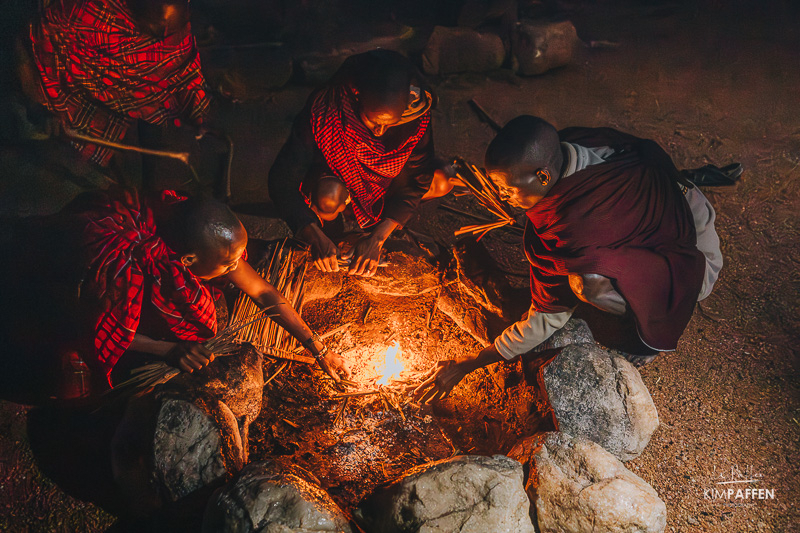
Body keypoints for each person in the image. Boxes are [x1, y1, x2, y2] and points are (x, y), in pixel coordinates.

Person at [416, 115, 724, 403]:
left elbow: (547, 317)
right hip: (682, 209)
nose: (501, 196)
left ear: (542, 175)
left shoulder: (578, 226)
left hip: (694, 265)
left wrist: (472, 361)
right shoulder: (572, 144)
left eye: (506, 188)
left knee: (585, 283)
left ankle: (645, 337)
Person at [0, 188, 349, 399]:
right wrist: (166, 349)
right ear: (187, 260)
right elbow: (96, 321)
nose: (237, 268)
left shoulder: (181, 223)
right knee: (71, 378)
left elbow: (264, 292)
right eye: (228, 264)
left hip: (88, 279)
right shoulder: (116, 265)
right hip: (50, 284)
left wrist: (317, 348)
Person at [268, 49, 454, 277]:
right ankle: (333, 236)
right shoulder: (328, 108)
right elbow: (282, 180)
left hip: (387, 181)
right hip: (340, 178)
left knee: (442, 180)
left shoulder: (414, 116)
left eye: (389, 124)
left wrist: (377, 239)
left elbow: (417, 179)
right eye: (373, 121)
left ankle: (376, 231)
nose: (379, 132)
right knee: (329, 196)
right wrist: (314, 235)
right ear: (357, 95)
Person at [28, 0, 210, 167]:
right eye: (156, 27)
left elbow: (186, 72)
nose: (160, 37)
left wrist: (198, 116)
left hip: (108, 113)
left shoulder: (171, 34)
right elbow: (35, 39)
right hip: (59, 90)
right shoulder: (93, 12)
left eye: (166, 33)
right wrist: (42, 103)